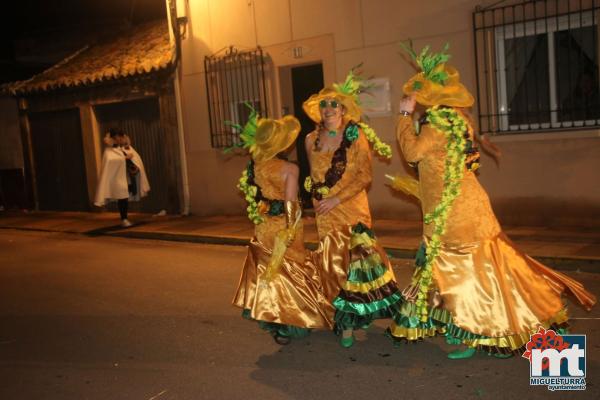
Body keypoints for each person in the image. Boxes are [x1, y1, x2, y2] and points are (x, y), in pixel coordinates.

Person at [388, 43, 596, 359]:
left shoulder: (435, 123)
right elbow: (463, 158)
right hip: (466, 203)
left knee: (466, 275)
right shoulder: (458, 119)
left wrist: (403, 115)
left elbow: (413, 153)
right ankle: (475, 328)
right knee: (478, 270)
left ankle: (478, 333)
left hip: (455, 212)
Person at [303, 68, 402, 348]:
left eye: (334, 103)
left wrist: (337, 198)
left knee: (360, 266)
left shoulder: (355, 136)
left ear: (343, 108)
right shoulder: (312, 140)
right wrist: (315, 199)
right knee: (335, 267)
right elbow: (312, 177)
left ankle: (362, 315)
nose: (328, 108)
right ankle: (344, 322)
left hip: (352, 208)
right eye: (324, 104)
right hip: (326, 214)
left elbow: (365, 176)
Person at [231, 107, 335, 345]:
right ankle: (291, 321)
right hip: (283, 227)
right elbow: (289, 204)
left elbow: (254, 195)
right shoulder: (290, 169)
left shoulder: (256, 165)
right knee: (291, 274)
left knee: (271, 274)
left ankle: (274, 320)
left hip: (263, 225)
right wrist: (291, 228)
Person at [94, 128, 150, 227]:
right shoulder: (109, 150)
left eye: (120, 137)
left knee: (125, 197)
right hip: (117, 178)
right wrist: (124, 158)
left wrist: (130, 158)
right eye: (116, 137)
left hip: (127, 177)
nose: (118, 139)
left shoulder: (125, 147)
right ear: (112, 138)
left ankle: (125, 218)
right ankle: (124, 219)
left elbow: (136, 159)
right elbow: (110, 162)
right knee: (122, 197)